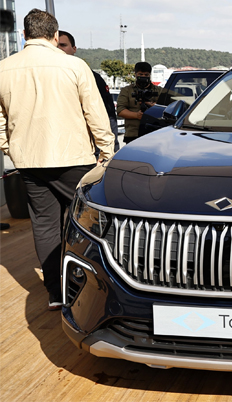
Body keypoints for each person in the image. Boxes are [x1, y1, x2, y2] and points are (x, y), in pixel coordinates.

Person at [0, 9, 115, 310]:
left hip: (29, 161)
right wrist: (107, 152)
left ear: (24, 35)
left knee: (44, 224)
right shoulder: (74, 65)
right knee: (85, 223)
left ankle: (55, 292)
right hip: (73, 157)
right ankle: (82, 287)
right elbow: (95, 114)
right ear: (54, 35)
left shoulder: (4, 68)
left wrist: (9, 148)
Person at [57, 30, 120, 153]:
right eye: (56, 46)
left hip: (87, 149)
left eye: (63, 45)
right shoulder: (41, 76)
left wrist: (109, 148)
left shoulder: (91, 77)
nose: (59, 49)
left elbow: (107, 115)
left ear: (74, 49)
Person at [117, 62, 163, 143]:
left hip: (154, 133)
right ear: (135, 74)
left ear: (150, 75)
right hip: (133, 134)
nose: (143, 77)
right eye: (140, 74)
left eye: (146, 75)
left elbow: (168, 107)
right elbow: (120, 111)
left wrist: (155, 107)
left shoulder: (159, 91)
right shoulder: (127, 90)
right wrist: (137, 115)